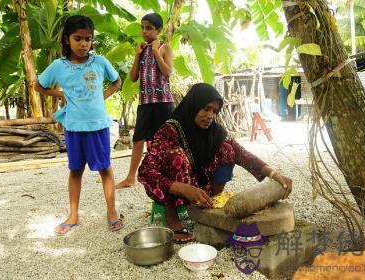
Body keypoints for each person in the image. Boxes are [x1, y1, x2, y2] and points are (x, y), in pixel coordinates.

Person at [138, 83, 293, 243]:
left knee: (227, 149)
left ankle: (212, 203)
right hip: (173, 187)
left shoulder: (215, 131)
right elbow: (146, 172)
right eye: (206, 108)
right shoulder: (170, 130)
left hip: (199, 186)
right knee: (175, 155)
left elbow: (242, 154)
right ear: (193, 105)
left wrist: (274, 174)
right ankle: (173, 218)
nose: (210, 115)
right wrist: (184, 188)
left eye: (214, 111)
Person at [35, 15, 123, 235]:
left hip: (98, 126)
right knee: (75, 170)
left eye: (88, 39)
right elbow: (39, 85)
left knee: (105, 168)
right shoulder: (58, 66)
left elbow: (117, 81)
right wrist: (62, 95)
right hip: (74, 127)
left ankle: (111, 211)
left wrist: (103, 96)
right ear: (67, 40)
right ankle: (73, 215)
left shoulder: (100, 62)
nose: (84, 44)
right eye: (78, 38)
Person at [116, 13, 174, 189]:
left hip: (163, 102)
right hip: (145, 102)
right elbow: (133, 77)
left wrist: (156, 52)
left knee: (167, 140)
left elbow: (168, 72)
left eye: (149, 28)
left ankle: (170, 175)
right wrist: (137, 55)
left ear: (159, 30)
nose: (144, 31)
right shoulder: (141, 49)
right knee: (138, 139)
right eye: (142, 27)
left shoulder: (165, 48)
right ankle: (130, 178)